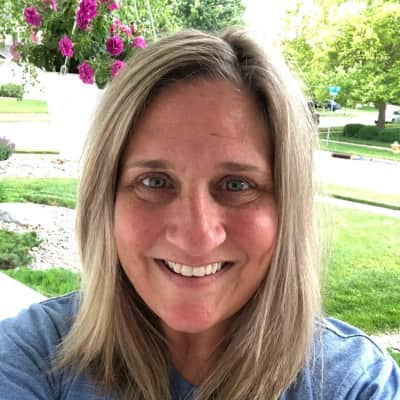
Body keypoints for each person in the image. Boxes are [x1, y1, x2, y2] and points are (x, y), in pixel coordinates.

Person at [0, 28, 399, 400]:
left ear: (287, 207)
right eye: (155, 182)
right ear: (104, 200)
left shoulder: (355, 383)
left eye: (237, 185)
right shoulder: (32, 356)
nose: (196, 235)